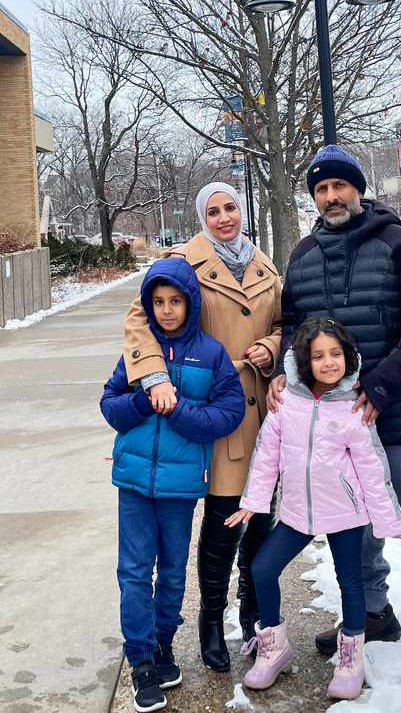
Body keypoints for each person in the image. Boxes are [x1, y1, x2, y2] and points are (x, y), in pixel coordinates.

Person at [269, 144, 401, 696]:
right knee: (353, 527)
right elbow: (292, 326)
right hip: (337, 422)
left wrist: (380, 385)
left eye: (340, 186)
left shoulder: (397, 242)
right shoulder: (304, 255)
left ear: (358, 189)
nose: (331, 197)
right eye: (321, 189)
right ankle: (376, 611)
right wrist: (288, 370)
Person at [123, 182, 282, 672]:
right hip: (209, 406)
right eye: (212, 211)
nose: (223, 217)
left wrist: (273, 350)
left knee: (261, 520)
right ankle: (211, 621)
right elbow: (138, 320)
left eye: (230, 207)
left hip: (265, 412)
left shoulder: (266, 266)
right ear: (201, 217)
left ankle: (256, 618)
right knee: (222, 521)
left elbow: (285, 323)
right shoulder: (180, 261)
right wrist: (154, 378)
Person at [226, 318, 401, 700]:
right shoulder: (286, 402)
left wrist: (392, 522)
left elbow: (372, 470)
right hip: (298, 512)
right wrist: (253, 503)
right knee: (262, 569)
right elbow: (267, 454)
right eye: (318, 356)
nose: (328, 362)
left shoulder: (354, 408)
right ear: (304, 361)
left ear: (348, 358)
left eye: (335, 354)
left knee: (351, 583)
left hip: (345, 514)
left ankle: (350, 659)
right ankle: (274, 646)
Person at [101, 257, 245, 712]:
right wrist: (147, 398)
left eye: (175, 301)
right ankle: (140, 656)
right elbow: (109, 404)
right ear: (148, 304)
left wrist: (176, 408)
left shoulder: (211, 353)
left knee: (174, 569)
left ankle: (163, 642)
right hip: (134, 483)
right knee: (134, 570)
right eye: (158, 301)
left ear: (191, 303)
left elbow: (229, 413)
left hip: (181, 488)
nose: (166, 310)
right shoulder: (139, 354)